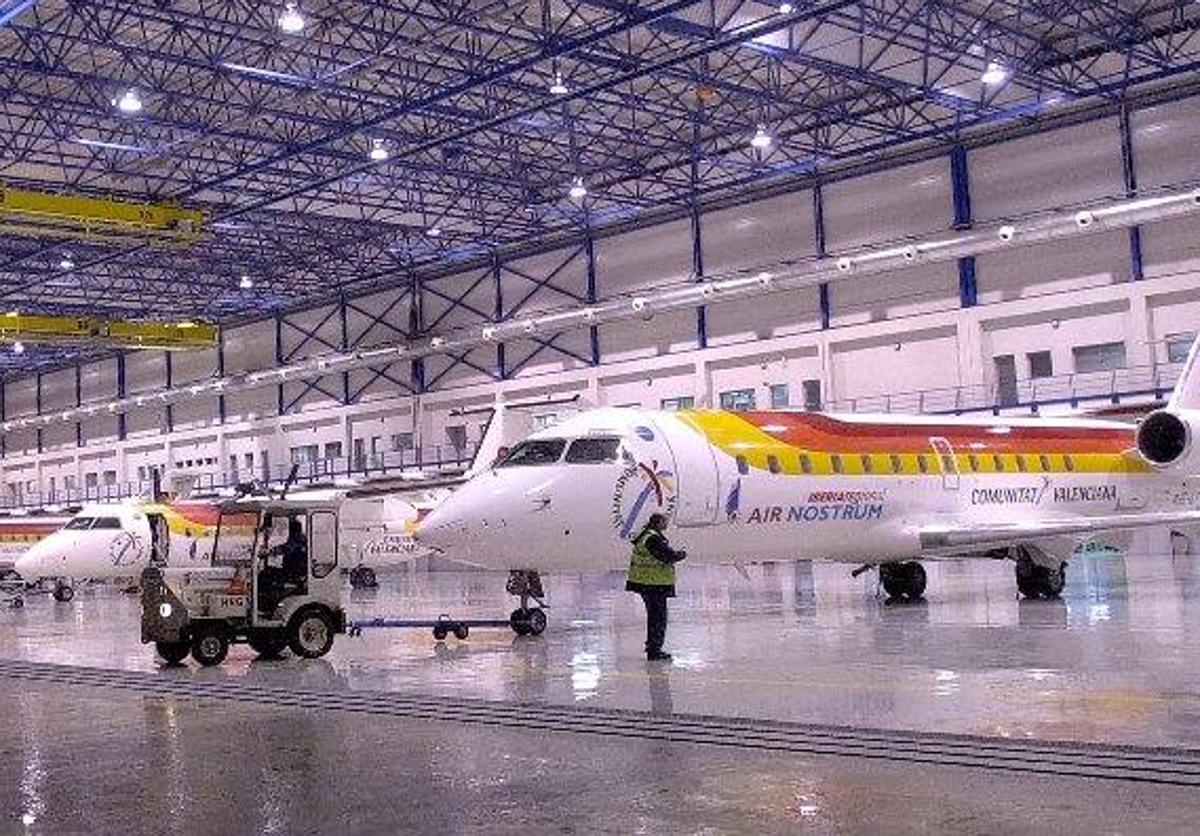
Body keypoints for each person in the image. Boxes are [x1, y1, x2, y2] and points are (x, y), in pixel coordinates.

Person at [626, 513, 686, 661]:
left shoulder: (644, 535)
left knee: (654, 618)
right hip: (655, 585)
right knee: (658, 619)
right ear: (658, 523)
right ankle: (654, 650)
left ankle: (652, 647)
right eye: (665, 521)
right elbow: (667, 556)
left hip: (644, 583)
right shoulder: (653, 539)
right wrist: (681, 554)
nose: (666, 524)